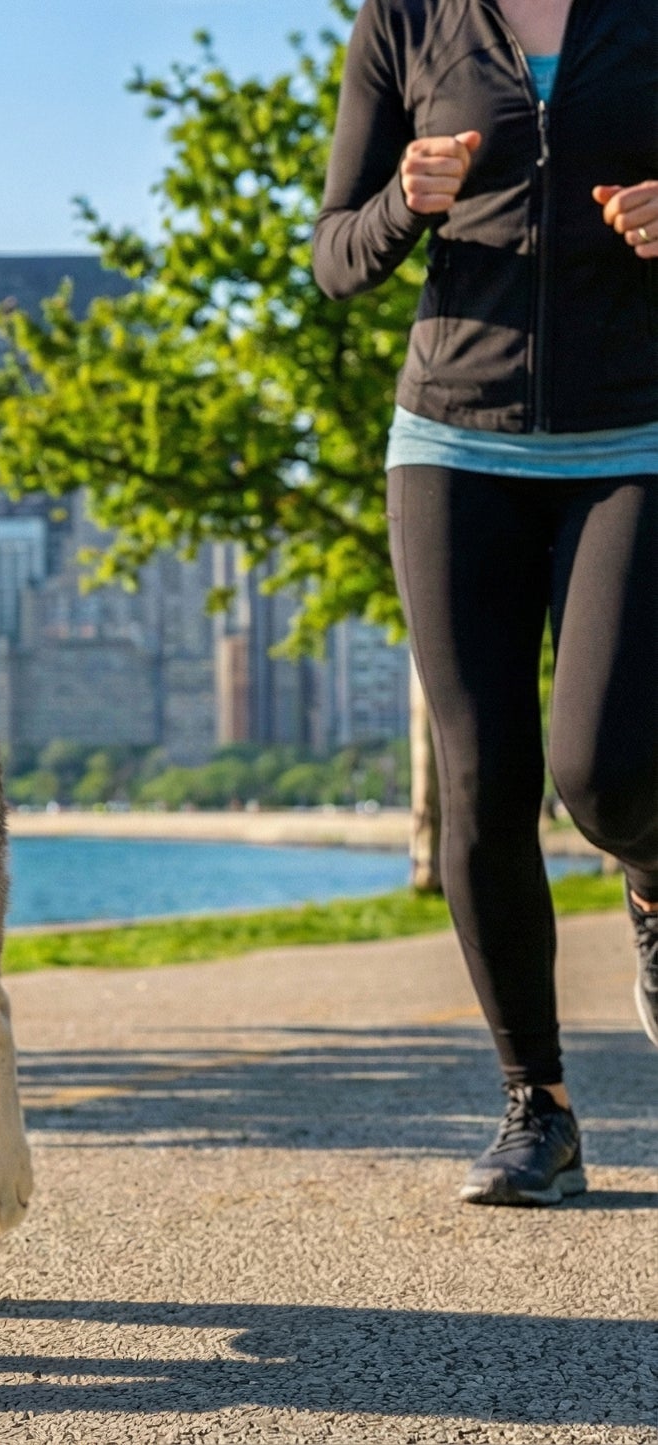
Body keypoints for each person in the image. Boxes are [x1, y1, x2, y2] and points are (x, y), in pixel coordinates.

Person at [312, 0, 658, 1206]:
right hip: (452, 447)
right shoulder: (404, 21)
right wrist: (401, 202)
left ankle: (650, 881)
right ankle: (536, 1106)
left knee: (605, 770)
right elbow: (332, 257)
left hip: (636, 438)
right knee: (481, 778)